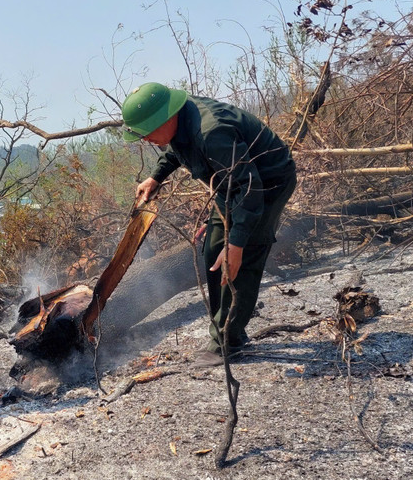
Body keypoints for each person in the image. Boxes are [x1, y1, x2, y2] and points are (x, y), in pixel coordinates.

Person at [121, 83, 297, 367]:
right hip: (233, 185)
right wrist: (156, 177)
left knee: (241, 259)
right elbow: (177, 149)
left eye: (146, 132)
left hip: (267, 183)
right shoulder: (179, 119)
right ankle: (225, 328)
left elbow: (249, 189)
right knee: (214, 249)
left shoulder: (212, 131)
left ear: (165, 118)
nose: (145, 139)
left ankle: (227, 342)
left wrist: (237, 244)